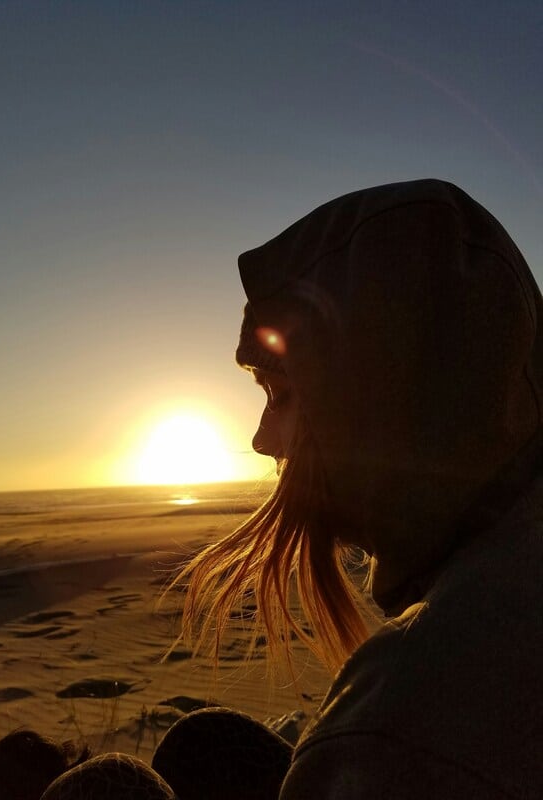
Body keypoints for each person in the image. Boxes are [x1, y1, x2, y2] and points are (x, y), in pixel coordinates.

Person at [32, 177, 543, 798]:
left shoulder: (405, 719)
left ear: (376, 396)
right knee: (204, 744)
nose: (260, 439)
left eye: (279, 394)